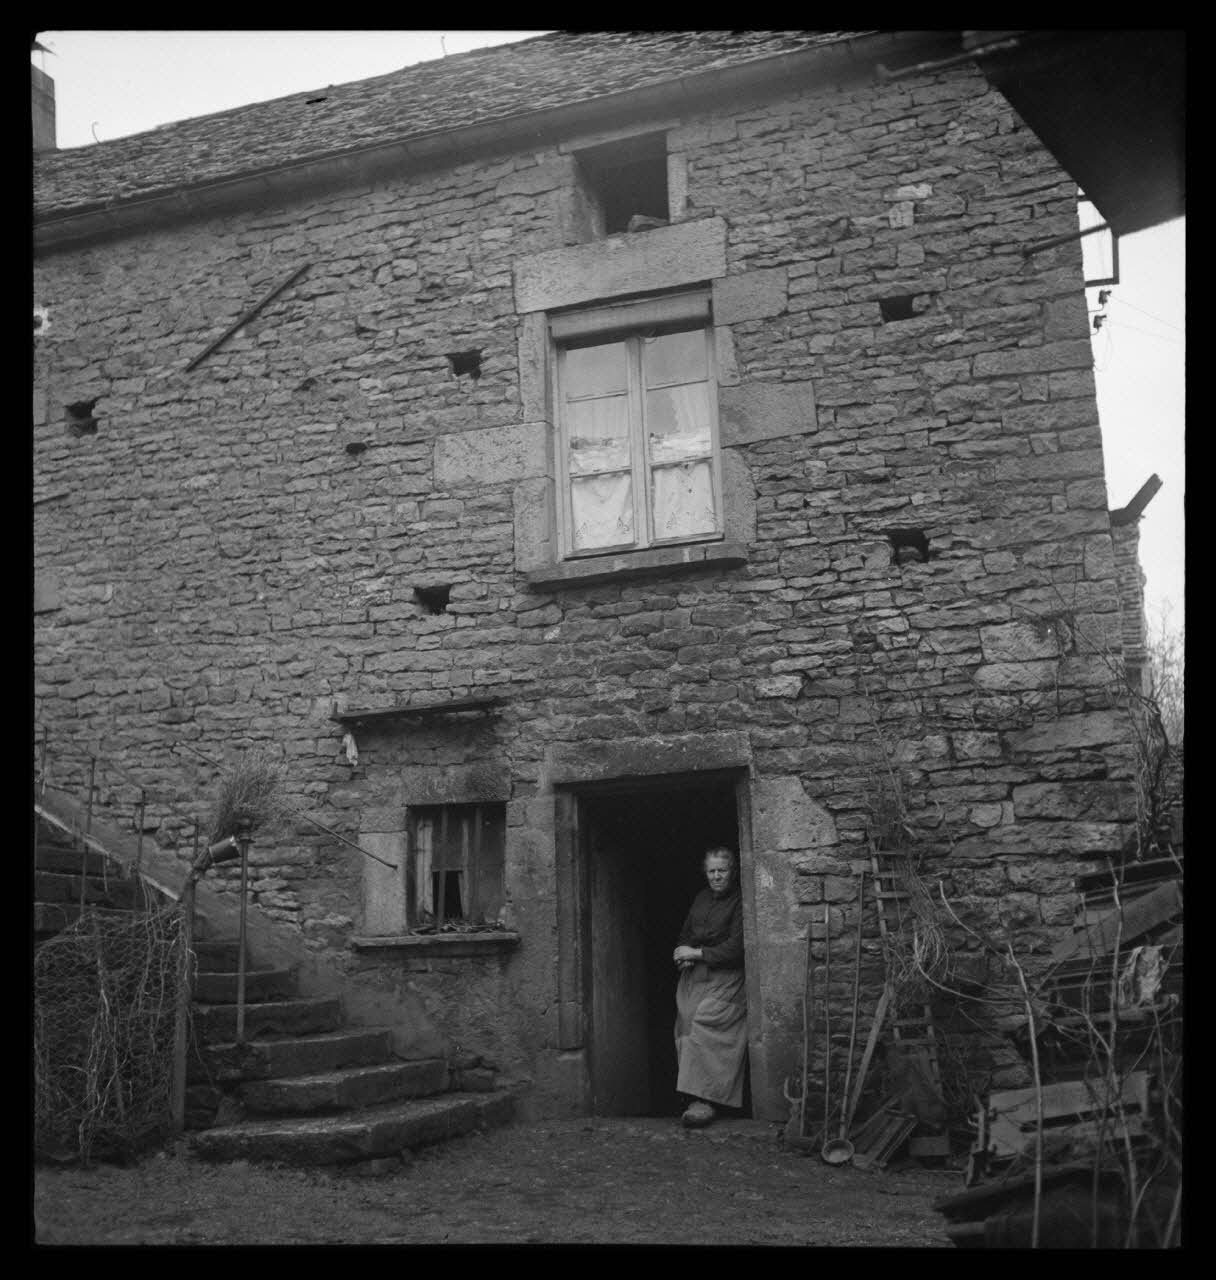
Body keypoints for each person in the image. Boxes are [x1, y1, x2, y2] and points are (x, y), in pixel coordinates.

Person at [672, 846, 747, 1127]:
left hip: (726, 978)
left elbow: (737, 948)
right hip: (696, 975)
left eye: (722, 870)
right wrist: (682, 954)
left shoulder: (740, 899)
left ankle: (708, 1101)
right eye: (712, 871)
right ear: (705, 873)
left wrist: (698, 954)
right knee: (686, 1026)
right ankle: (694, 1097)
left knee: (706, 1023)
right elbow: (686, 934)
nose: (716, 876)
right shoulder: (701, 898)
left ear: (733, 871)